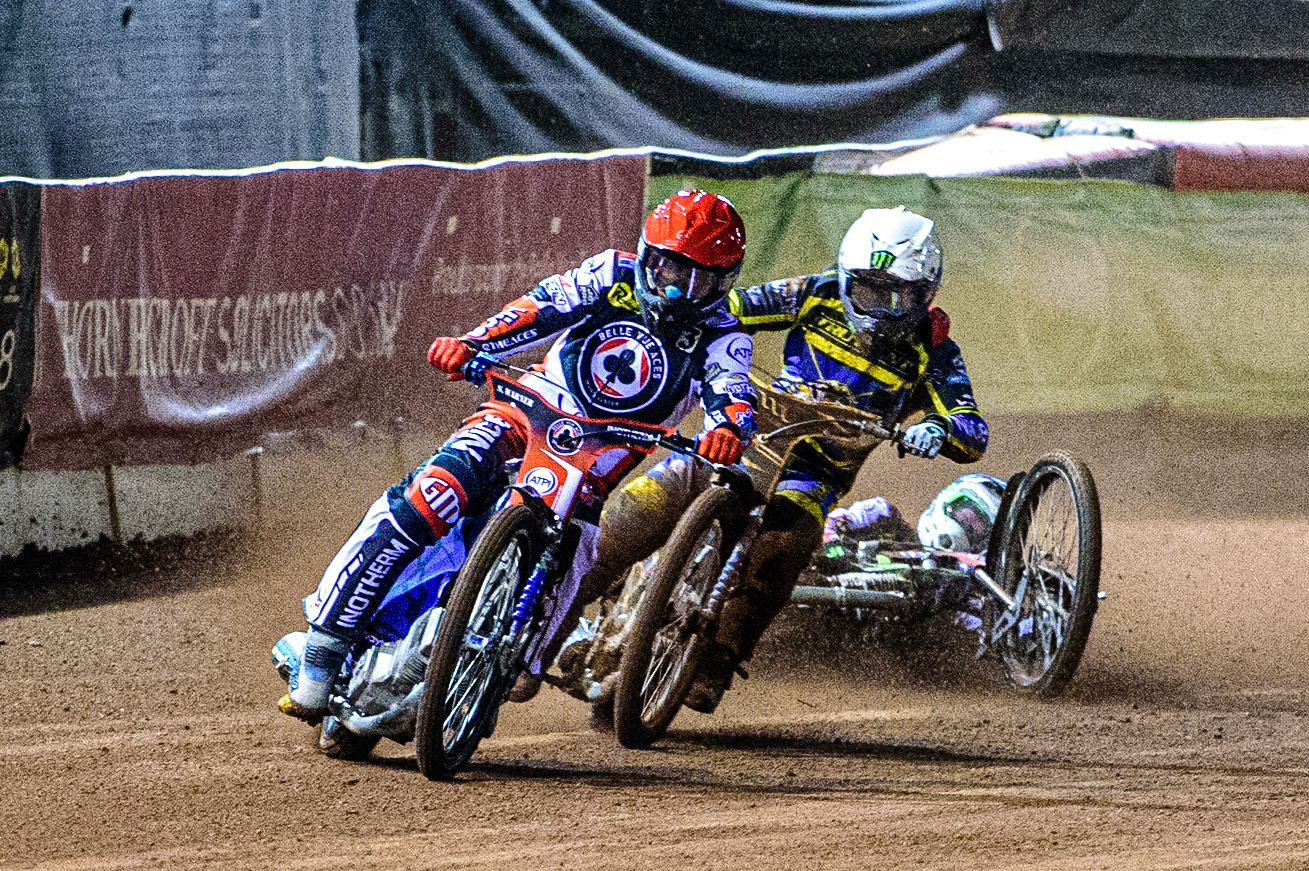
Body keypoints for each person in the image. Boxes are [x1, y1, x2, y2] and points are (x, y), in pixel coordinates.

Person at [278, 189, 759, 722]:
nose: (681, 290)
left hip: (592, 475)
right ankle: (321, 652)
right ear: (648, 255)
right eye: (671, 269)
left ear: (725, 281)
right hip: (524, 419)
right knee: (426, 498)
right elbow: (542, 307)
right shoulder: (611, 275)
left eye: (702, 281)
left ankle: (481, 675)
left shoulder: (724, 337)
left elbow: (733, 394)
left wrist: (728, 430)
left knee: (528, 668)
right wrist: (473, 343)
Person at [574, 205, 989, 715]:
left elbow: (972, 428)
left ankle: (718, 660)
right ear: (843, 278)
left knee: (783, 547)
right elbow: (727, 309)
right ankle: (544, 625)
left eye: (894, 295)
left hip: (818, 471)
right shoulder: (814, 293)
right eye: (865, 290)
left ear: (925, 296)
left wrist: (936, 427)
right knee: (640, 508)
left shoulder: (937, 351)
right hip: (747, 434)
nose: (877, 307)